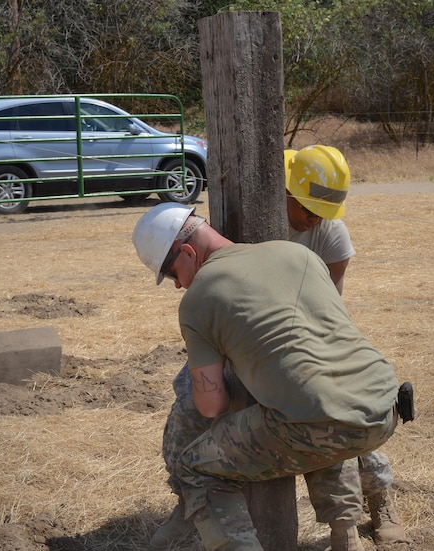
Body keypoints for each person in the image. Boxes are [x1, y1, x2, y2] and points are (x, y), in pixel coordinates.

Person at [147, 146, 408, 550]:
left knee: (209, 455)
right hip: (382, 405)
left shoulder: (199, 297)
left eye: (172, 273)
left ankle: (362, 513)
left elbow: (212, 405)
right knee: (311, 408)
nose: (178, 284)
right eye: (307, 207)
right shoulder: (294, 251)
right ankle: (345, 535)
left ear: (186, 252)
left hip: (314, 379)